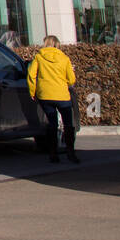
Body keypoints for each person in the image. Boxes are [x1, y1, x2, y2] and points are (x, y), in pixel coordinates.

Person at [27, 34, 79, 164]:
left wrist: (33, 92)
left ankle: (53, 153)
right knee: (68, 124)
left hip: (45, 95)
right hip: (62, 95)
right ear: (57, 44)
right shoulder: (64, 58)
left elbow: (31, 76)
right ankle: (70, 152)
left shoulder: (39, 57)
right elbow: (71, 79)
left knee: (52, 124)